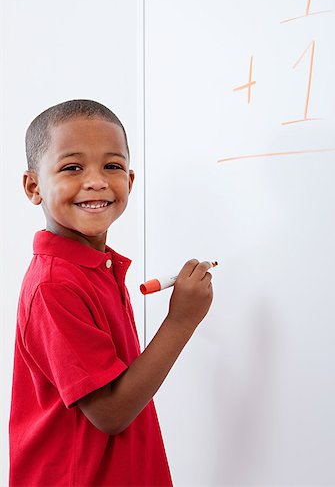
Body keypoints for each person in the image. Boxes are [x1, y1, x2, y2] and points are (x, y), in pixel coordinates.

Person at [9, 99, 214, 486]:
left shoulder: (95, 266)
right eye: (72, 167)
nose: (97, 181)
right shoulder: (55, 285)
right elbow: (111, 411)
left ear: (130, 181)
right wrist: (182, 320)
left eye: (112, 166)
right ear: (34, 186)